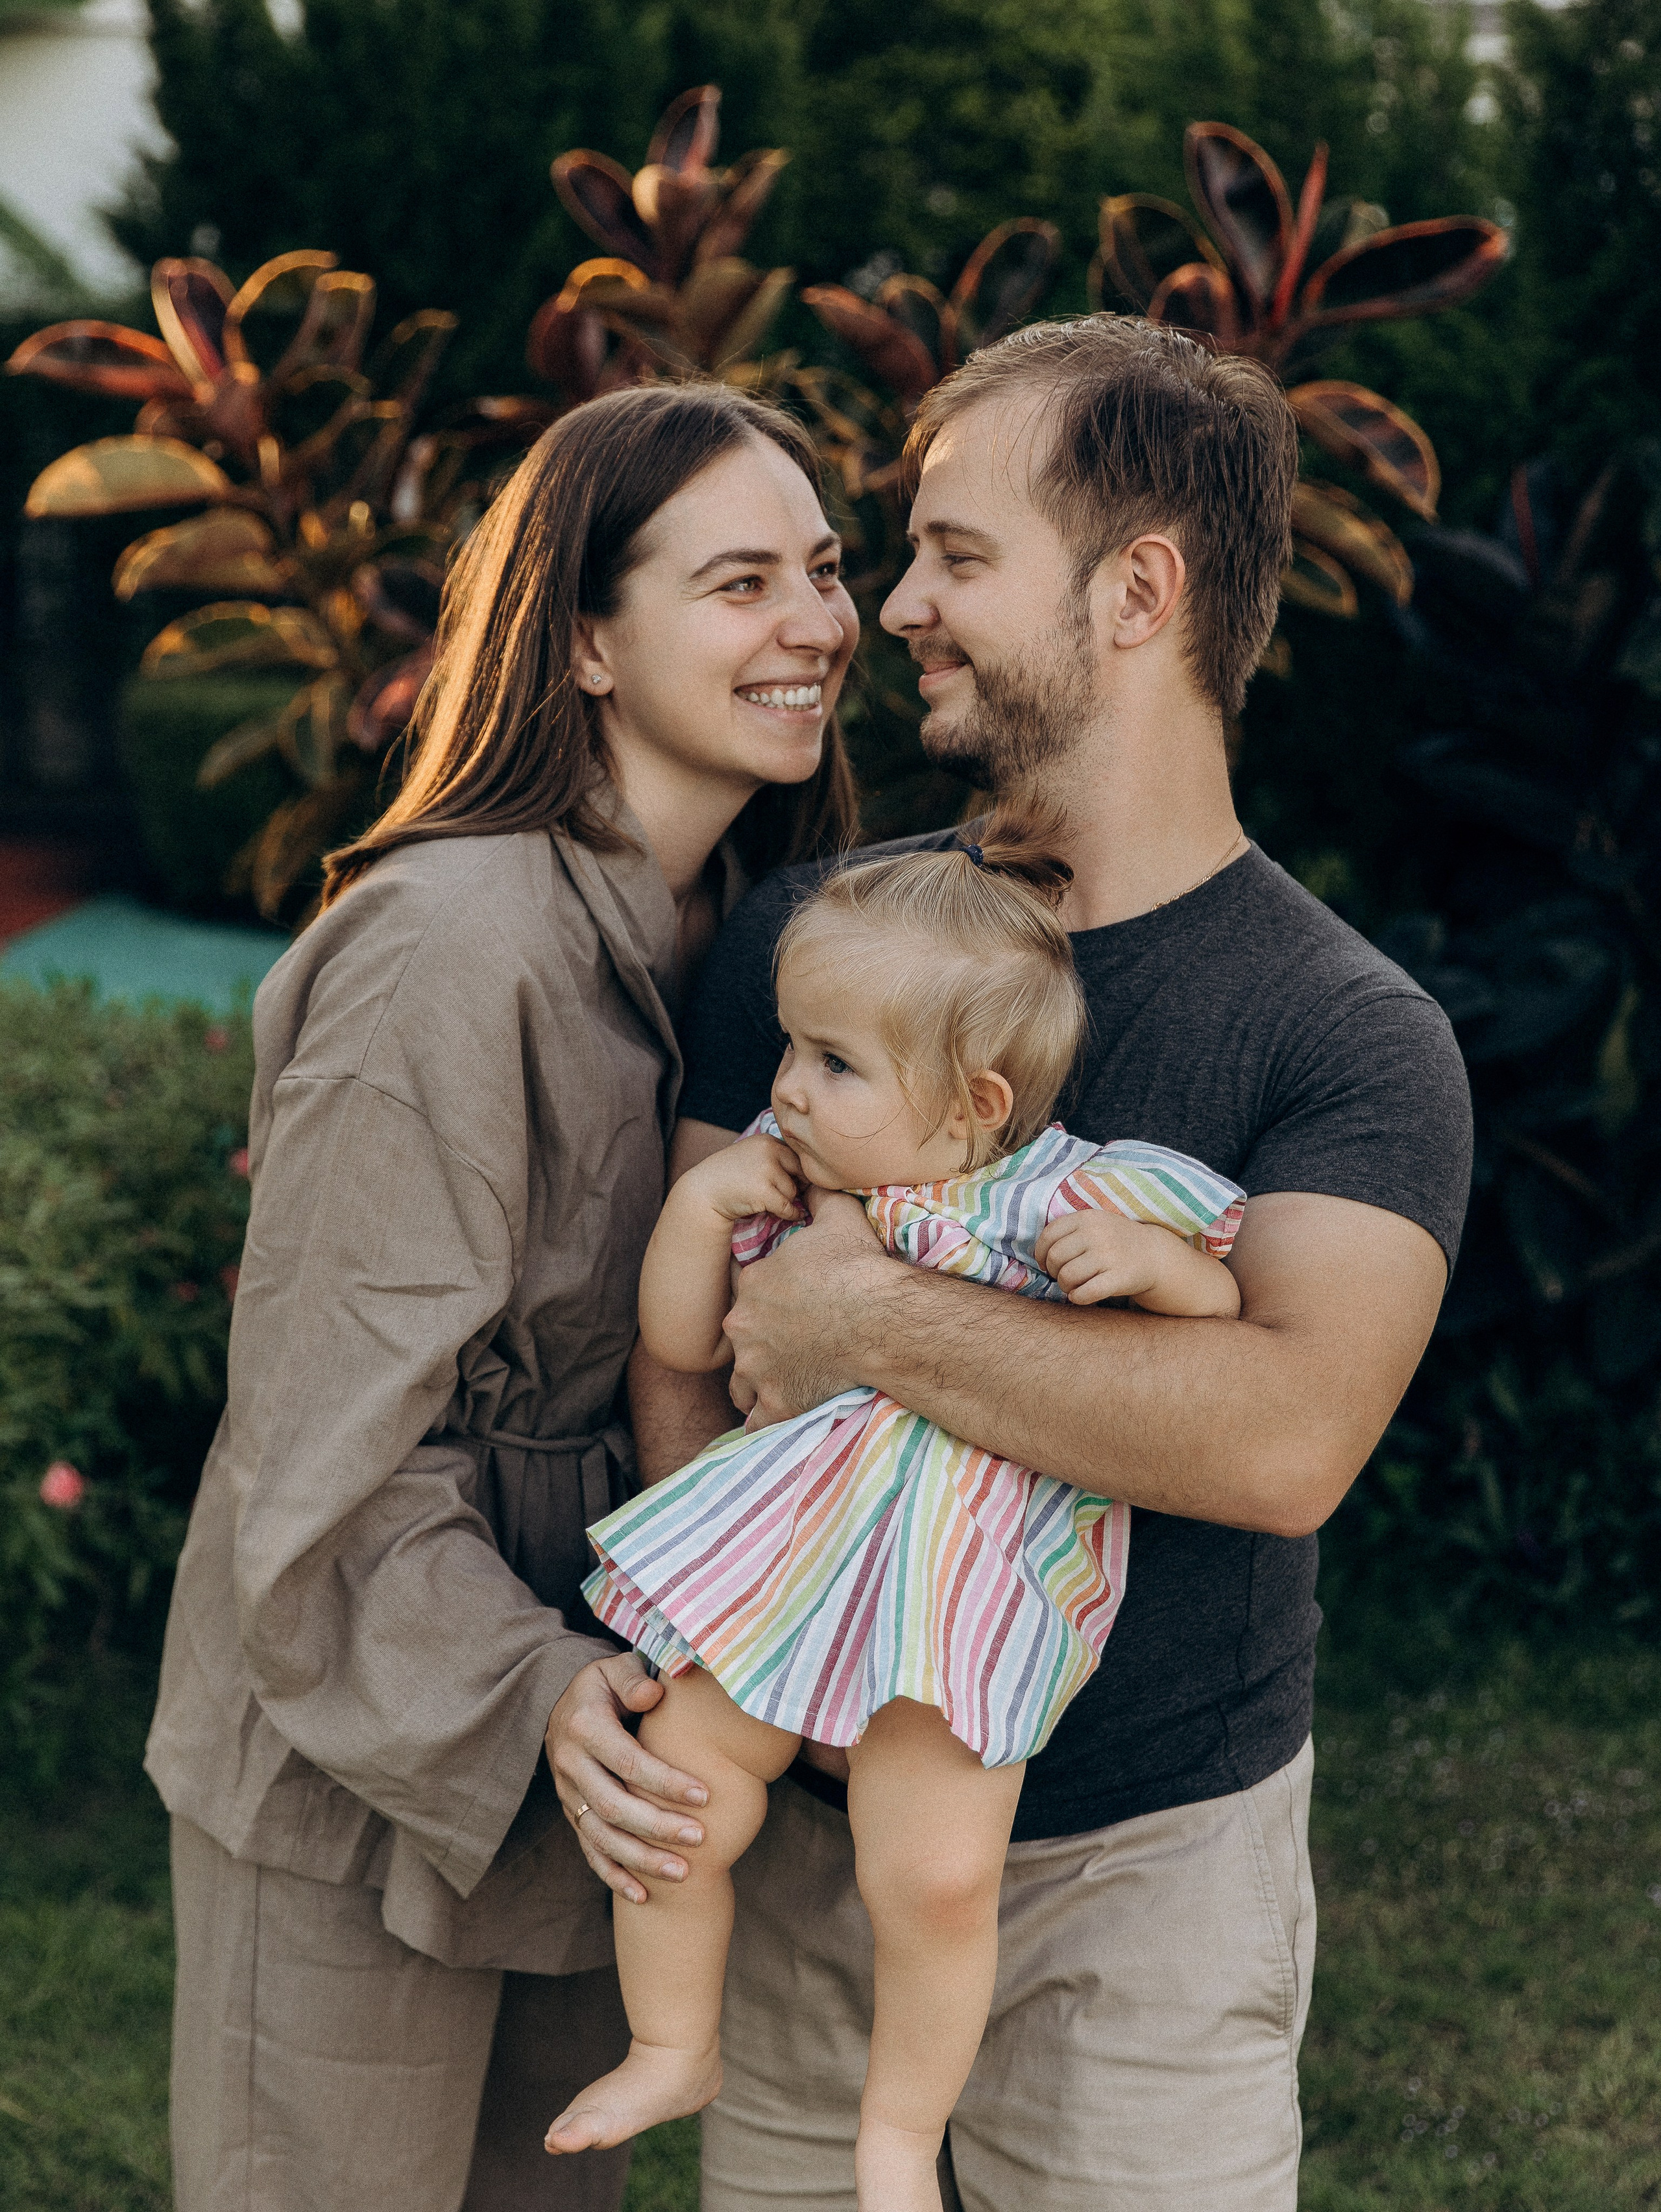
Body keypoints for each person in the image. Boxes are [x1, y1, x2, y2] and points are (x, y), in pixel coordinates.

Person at [581, 317, 1476, 2211]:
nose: (889, 606)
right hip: (817, 1856)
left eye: (954, 557)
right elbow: (695, 1354)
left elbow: (1281, 1436)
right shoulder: (821, 948)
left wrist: (871, 1317)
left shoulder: (1344, 1033)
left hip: (1145, 1886)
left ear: (1139, 590)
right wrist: (728, 1641)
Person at [141, 379, 859, 2212]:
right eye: (741, 583)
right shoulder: (450, 949)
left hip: (586, 1717)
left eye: (830, 570)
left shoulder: (751, 935)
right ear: (588, 642)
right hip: (366, 1717)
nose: (819, 625)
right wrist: (535, 1684)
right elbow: (320, 1454)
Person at [548, 826, 1245, 2211]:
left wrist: (1159, 1269)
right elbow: (679, 1341)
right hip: (792, 1569)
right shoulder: (785, 1176)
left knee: (929, 1877)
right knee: (680, 1788)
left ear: (976, 1098)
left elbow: (1224, 1326)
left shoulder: (1067, 1192)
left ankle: (894, 2134)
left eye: (832, 1063)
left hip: (959, 1592)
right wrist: (698, 1206)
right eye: (792, 1049)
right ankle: (673, 2041)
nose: (785, 1087)